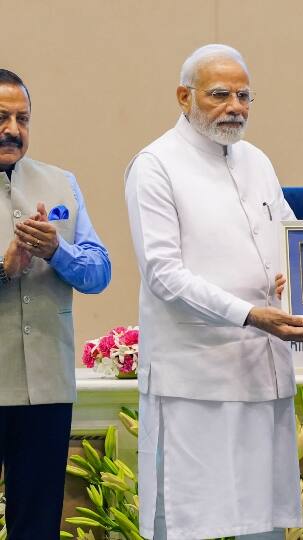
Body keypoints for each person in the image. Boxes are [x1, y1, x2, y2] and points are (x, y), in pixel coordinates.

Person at [125, 44, 303, 540]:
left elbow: (289, 237)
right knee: (194, 525)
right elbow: (163, 274)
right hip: (195, 382)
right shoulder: (155, 165)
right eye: (220, 94)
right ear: (183, 96)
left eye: (244, 95)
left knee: (264, 526)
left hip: (262, 373)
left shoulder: (257, 161)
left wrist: (295, 277)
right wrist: (251, 314)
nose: (235, 106)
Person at [0, 68, 111, 538]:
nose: (13, 129)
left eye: (22, 118)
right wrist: (5, 269)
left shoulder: (61, 183)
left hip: (45, 387)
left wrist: (55, 251)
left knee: (38, 524)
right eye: (2, 117)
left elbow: (99, 271)